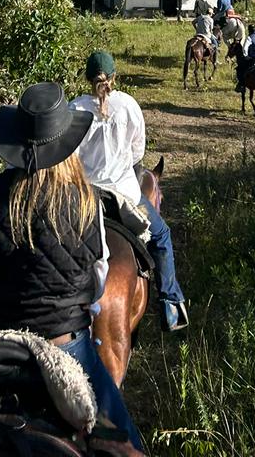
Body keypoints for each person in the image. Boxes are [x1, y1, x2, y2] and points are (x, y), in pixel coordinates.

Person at [0, 81, 143, 453]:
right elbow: (96, 283)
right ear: (67, 146)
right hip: (65, 347)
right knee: (129, 444)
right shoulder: (86, 202)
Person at [72, 51, 189, 334]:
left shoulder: (73, 109)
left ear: (87, 78)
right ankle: (171, 303)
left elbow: (68, 158)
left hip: (84, 198)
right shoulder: (128, 105)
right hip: (125, 195)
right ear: (114, 77)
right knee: (161, 236)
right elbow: (138, 154)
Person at [234, 23, 255, 92]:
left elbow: (244, 49)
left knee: (240, 68)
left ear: (249, 31)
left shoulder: (249, 38)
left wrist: (246, 56)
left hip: (253, 58)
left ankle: (241, 85)